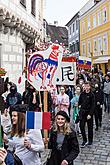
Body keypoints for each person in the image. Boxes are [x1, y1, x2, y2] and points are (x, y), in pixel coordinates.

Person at [78, 81, 95, 147]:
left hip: (89, 113)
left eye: (87, 86)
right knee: (81, 126)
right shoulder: (82, 94)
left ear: (90, 87)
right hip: (83, 113)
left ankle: (90, 140)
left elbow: (93, 105)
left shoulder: (92, 95)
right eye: (85, 86)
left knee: (90, 127)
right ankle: (84, 140)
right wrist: (79, 105)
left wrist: (90, 114)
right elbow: (79, 102)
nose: (86, 87)